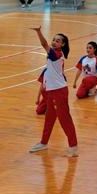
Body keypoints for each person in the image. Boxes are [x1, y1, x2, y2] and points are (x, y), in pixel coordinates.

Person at [28, 27, 78, 157]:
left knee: (64, 118)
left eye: (58, 41)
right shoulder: (54, 54)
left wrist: (39, 32)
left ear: (63, 44)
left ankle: (73, 146)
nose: (54, 42)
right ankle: (43, 143)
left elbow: (44, 44)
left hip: (59, 91)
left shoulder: (56, 54)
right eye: (54, 40)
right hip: (51, 91)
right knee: (49, 118)